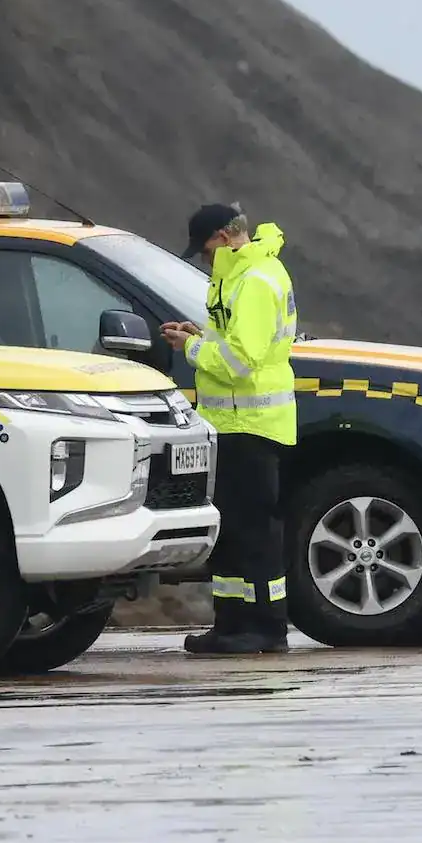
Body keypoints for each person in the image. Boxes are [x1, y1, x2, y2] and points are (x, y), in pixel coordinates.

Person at [161, 203, 299, 654]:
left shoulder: (255, 280)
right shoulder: (238, 275)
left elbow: (240, 362)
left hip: (251, 425)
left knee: (254, 534)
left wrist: (190, 348)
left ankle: (264, 628)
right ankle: (233, 625)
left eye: (205, 250)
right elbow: (234, 342)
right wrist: (198, 335)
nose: (204, 259)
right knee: (234, 533)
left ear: (223, 237)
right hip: (231, 424)